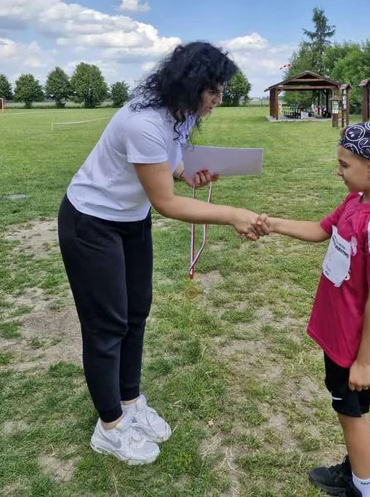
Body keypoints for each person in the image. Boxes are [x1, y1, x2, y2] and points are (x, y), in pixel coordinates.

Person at [57, 42, 266, 465]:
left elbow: (168, 167)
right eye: (215, 92)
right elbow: (166, 203)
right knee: (106, 322)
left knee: (137, 311)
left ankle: (131, 403)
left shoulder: (180, 114)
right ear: (191, 85)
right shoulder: (143, 120)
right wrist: (232, 215)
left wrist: (186, 173)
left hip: (130, 222)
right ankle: (110, 427)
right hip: (91, 222)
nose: (218, 101)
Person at [258, 122, 370, 497]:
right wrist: (272, 224)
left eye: (344, 165)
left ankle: (364, 489)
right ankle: (355, 470)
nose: (338, 171)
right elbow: (319, 228)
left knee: (352, 414)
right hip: (337, 333)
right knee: (349, 411)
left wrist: (363, 361)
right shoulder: (355, 202)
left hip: (353, 344)